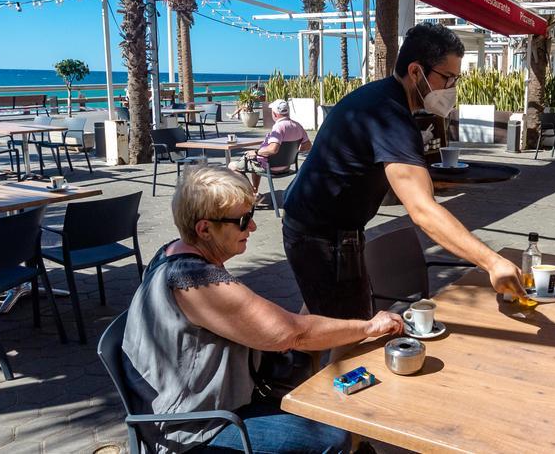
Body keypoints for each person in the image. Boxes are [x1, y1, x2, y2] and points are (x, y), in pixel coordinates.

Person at [122, 166, 403, 453]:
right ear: (204, 229)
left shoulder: (173, 252)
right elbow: (291, 334)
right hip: (195, 431)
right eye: (243, 221)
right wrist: (370, 327)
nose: (253, 227)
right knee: (333, 437)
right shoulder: (193, 280)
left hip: (205, 408)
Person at [281, 23, 527, 320]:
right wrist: (491, 262)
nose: (452, 89)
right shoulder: (390, 115)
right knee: (353, 330)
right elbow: (422, 211)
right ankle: (301, 362)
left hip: (312, 224)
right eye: (447, 78)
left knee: (321, 313)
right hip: (322, 237)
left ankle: (291, 362)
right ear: (415, 72)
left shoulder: (381, 98)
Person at [227, 99, 311, 194]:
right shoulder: (297, 126)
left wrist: (256, 152)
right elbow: (308, 145)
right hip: (286, 166)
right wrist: (292, 151)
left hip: (270, 166)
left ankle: (251, 194)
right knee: (254, 161)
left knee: (232, 166)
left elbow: (273, 149)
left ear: (275, 114)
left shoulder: (279, 127)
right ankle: (255, 191)